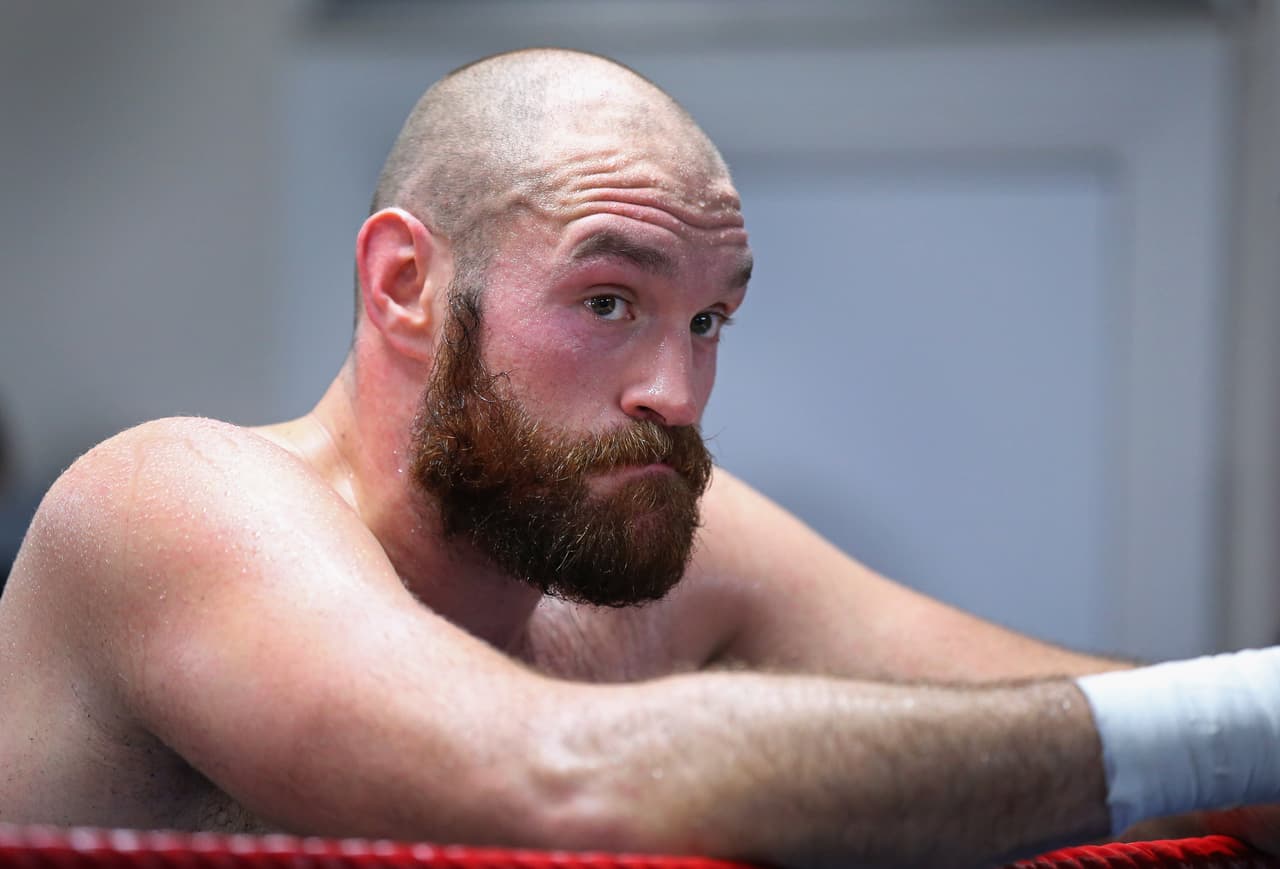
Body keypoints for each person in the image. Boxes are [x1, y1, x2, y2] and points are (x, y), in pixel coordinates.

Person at [1, 48, 1277, 867]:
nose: (677, 392)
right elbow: (555, 777)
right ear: (405, 284)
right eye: (609, 299)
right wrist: (1234, 724)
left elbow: (1124, 730)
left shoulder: (672, 548)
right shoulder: (170, 502)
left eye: (708, 319)